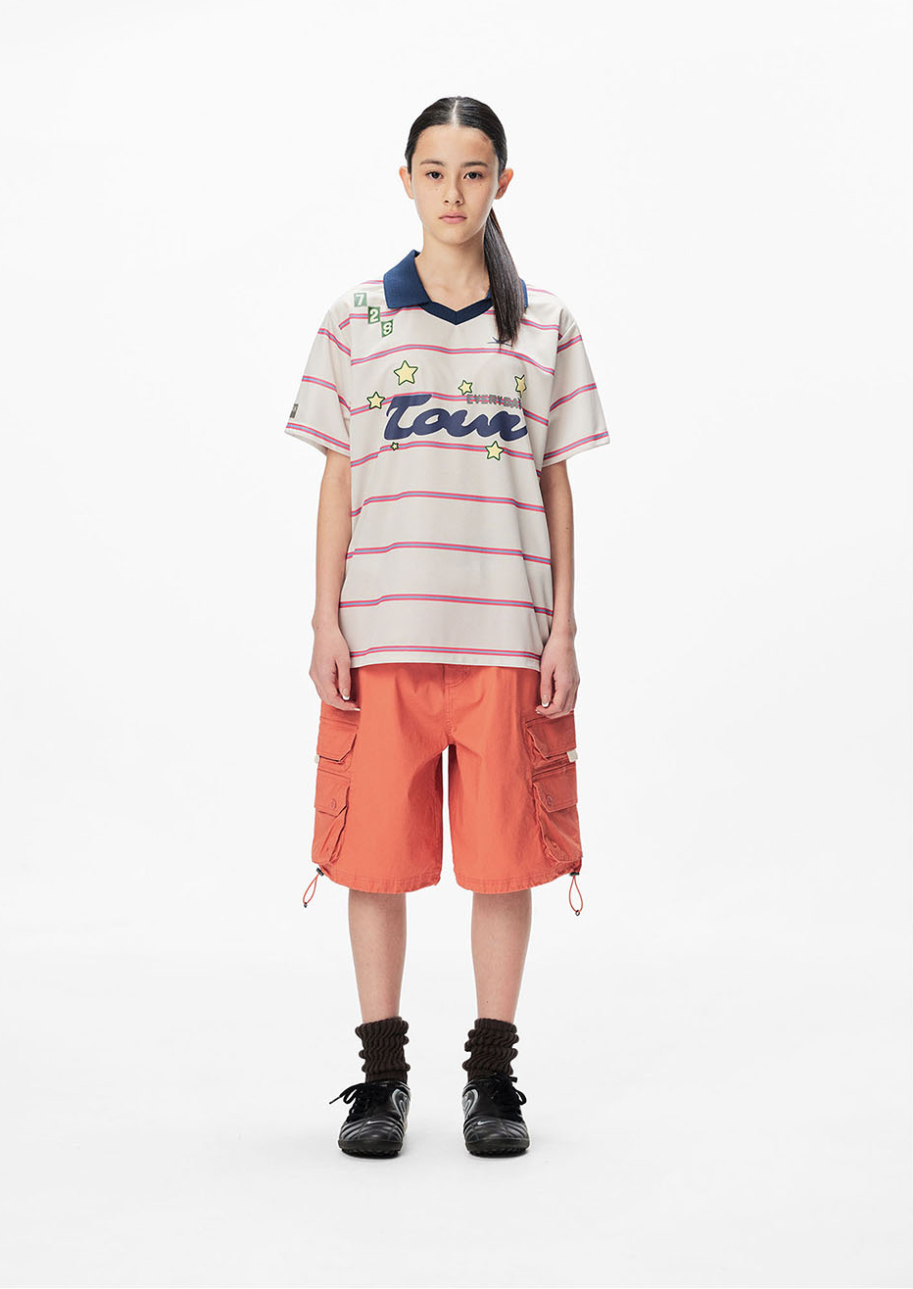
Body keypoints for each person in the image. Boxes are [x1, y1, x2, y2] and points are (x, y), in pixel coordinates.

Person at [284, 95, 611, 1158]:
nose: (454, 193)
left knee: (504, 864)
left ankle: (493, 1078)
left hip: (507, 636)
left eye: (474, 173)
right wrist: (325, 619)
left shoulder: (545, 324)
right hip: (383, 634)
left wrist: (563, 630)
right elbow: (338, 480)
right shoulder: (355, 320)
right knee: (374, 863)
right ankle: (380, 1082)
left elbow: (555, 486)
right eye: (435, 172)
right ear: (407, 181)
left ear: (502, 183)